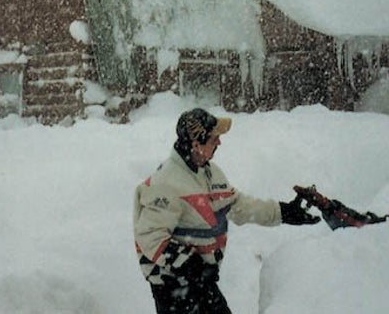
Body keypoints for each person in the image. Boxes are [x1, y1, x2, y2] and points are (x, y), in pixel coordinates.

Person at [133, 108, 320, 313]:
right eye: (214, 139)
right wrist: (193, 267)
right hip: (172, 287)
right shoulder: (166, 183)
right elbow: (150, 237)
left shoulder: (210, 173)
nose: (219, 143)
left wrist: (284, 212)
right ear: (196, 144)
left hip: (200, 283)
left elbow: (239, 205)